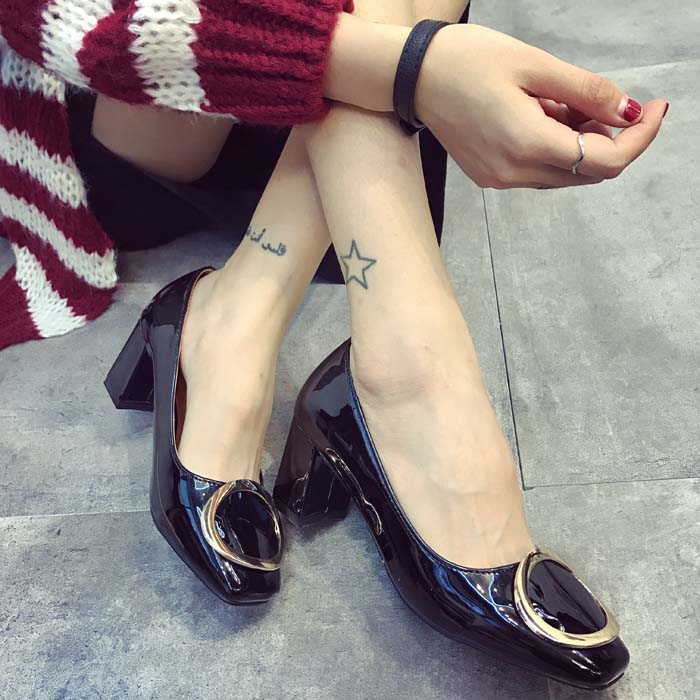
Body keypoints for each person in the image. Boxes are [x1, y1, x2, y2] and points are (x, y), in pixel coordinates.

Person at [0, 0, 667, 689]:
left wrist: (412, 68)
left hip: (334, 129)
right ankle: (408, 372)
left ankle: (243, 309)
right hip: (153, 97)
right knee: (365, 40)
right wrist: (408, 68)